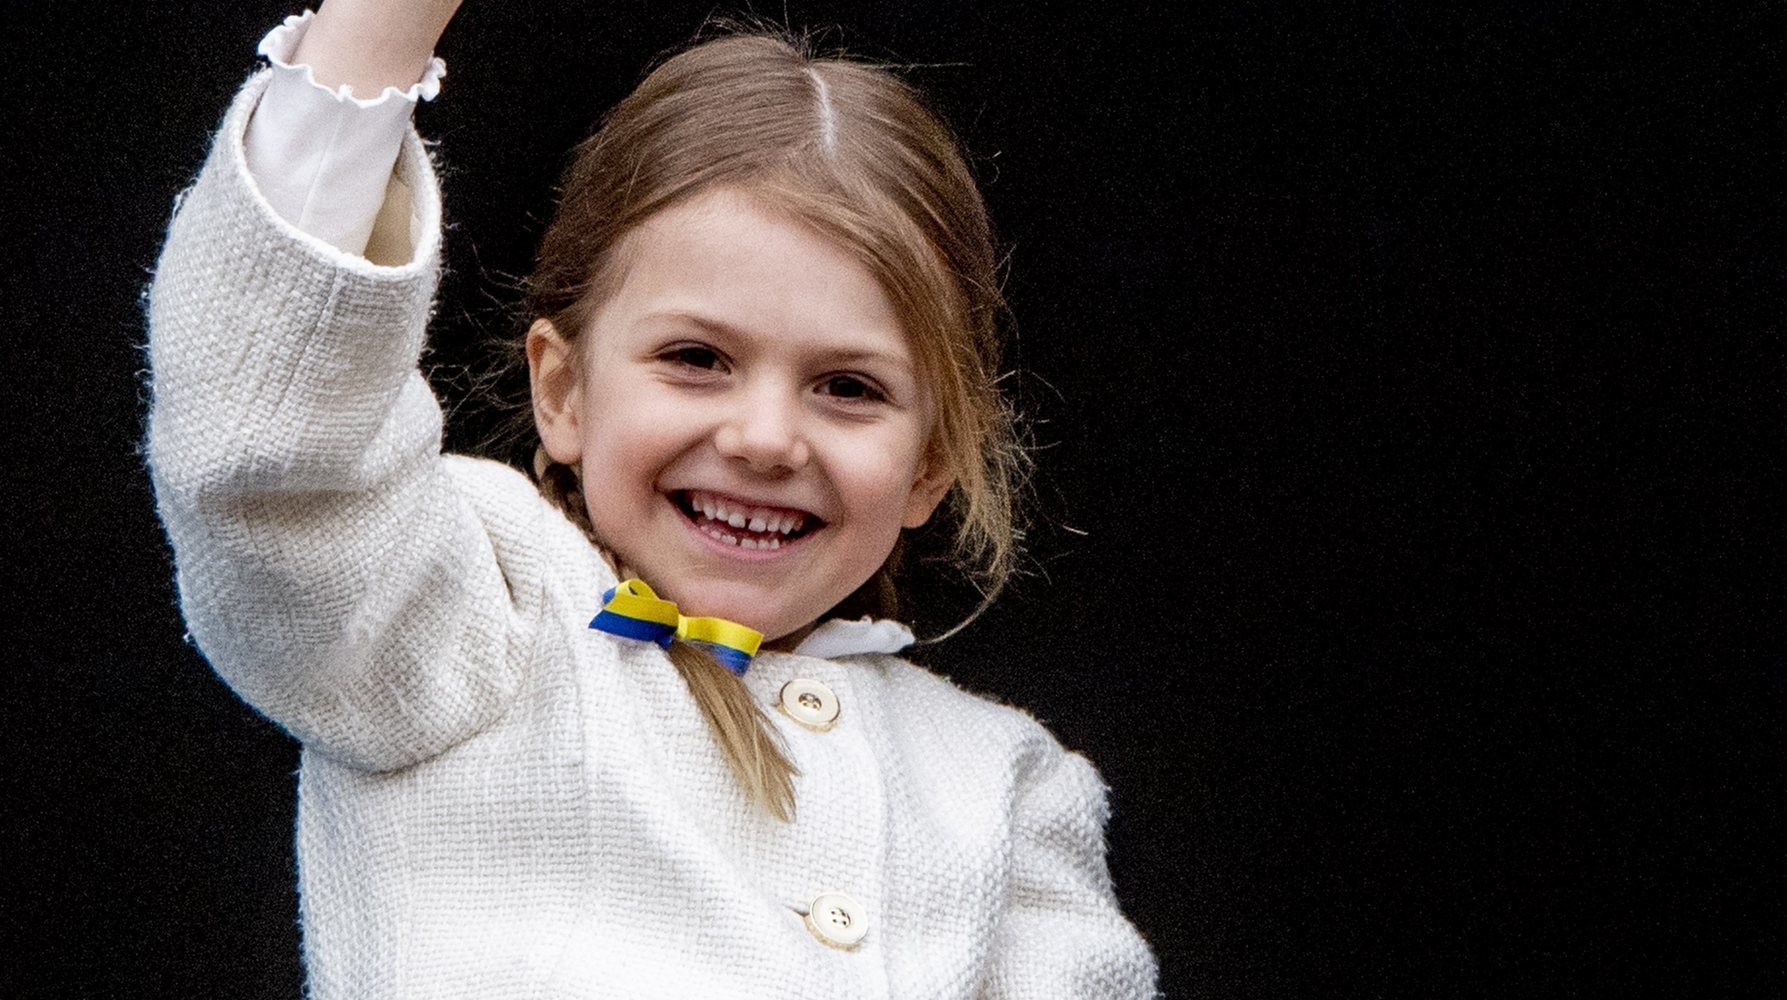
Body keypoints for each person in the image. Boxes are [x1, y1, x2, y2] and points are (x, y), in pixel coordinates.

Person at [144, 1, 1157, 996]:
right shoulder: (470, 613)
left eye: (848, 388)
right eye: (696, 358)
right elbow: (269, 453)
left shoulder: (1006, 783)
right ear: (563, 390)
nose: (763, 438)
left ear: (931, 463)